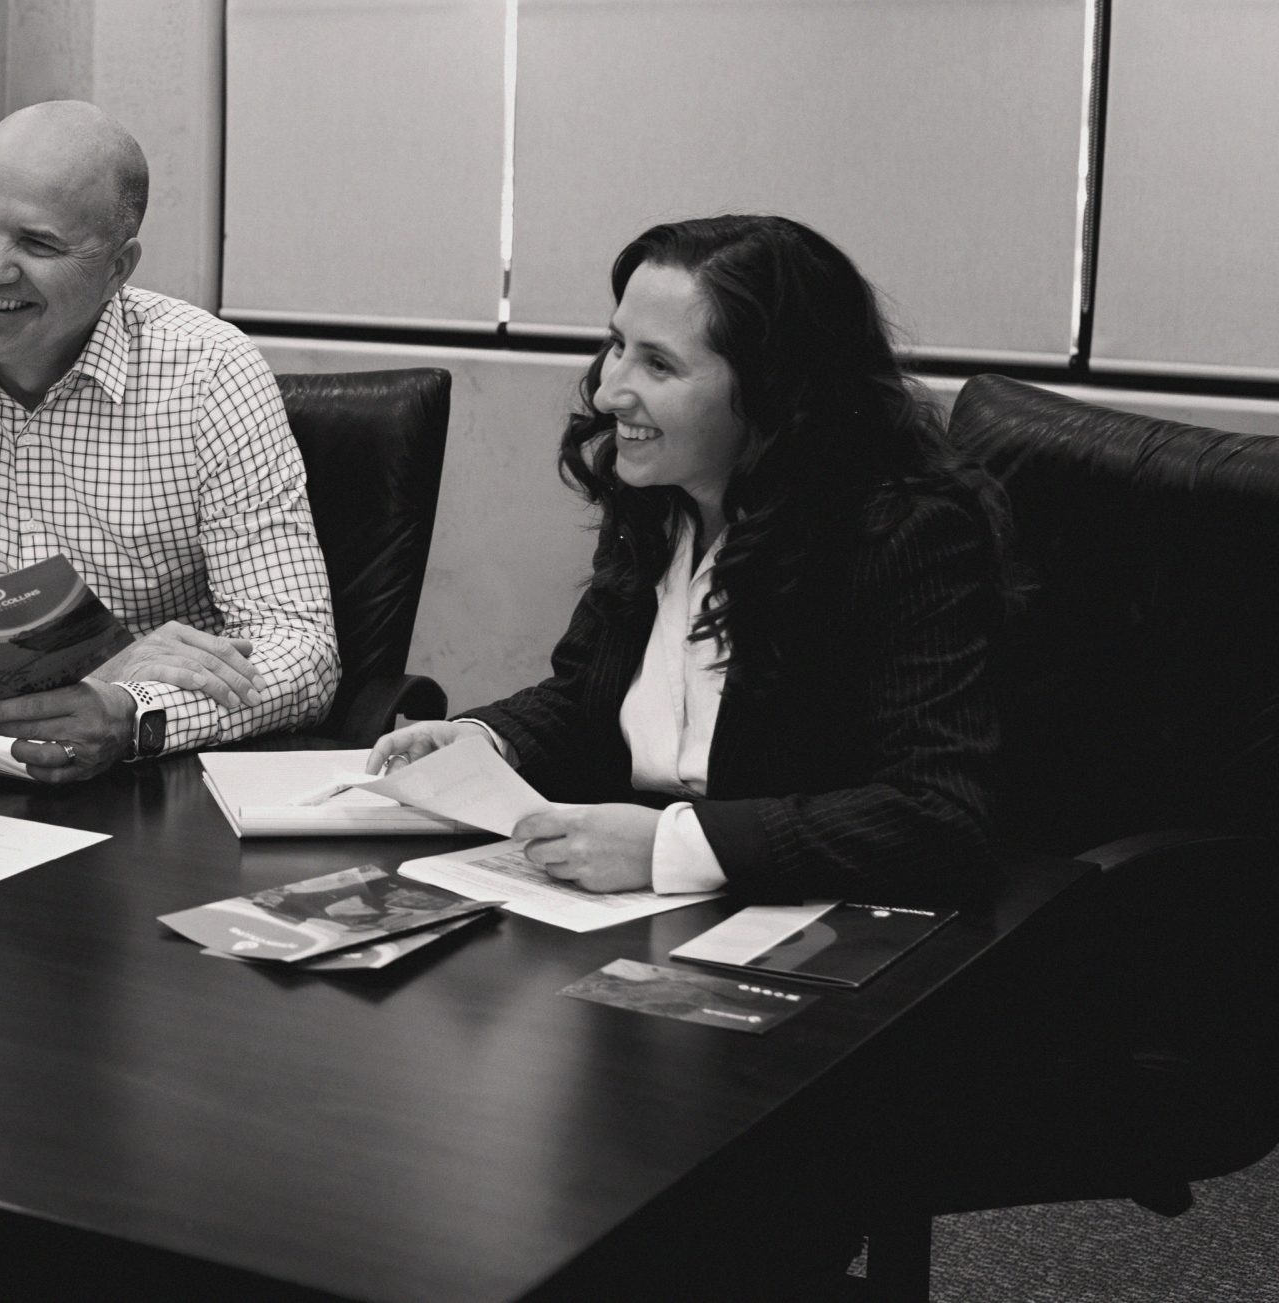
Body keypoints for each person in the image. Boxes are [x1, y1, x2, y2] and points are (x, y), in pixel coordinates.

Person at [370, 215, 1009, 905]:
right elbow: (591, 698)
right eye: (618, 345)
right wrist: (485, 742)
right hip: (637, 907)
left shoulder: (909, 533)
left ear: (774, 391)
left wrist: (671, 846)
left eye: (659, 364)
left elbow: (938, 816)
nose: (609, 391)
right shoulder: (658, 497)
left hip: (819, 922)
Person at [0, 100, 339, 783]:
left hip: (160, 785)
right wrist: (114, 666)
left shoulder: (211, 373)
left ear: (117, 269)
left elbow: (303, 652)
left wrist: (133, 712)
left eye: (38, 245)